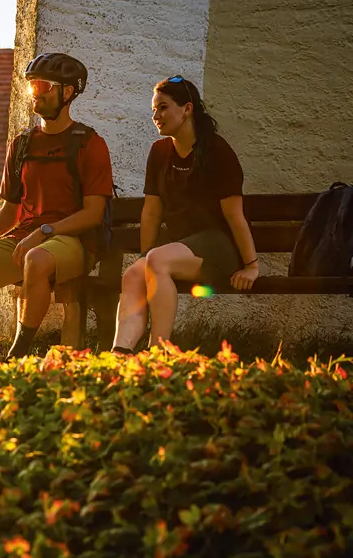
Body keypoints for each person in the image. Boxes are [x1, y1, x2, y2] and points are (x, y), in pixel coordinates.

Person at [0, 53, 115, 363]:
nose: (35, 92)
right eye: (31, 85)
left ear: (67, 92)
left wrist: (46, 231)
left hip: (74, 241)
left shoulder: (89, 143)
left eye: (42, 85)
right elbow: (10, 207)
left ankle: (16, 357)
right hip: (26, 240)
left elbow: (93, 214)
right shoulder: (22, 144)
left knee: (36, 258)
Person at [111, 75, 259, 353]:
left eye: (164, 107)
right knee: (133, 274)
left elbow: (234, 215)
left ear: (187, 109)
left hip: (219, 249)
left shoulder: (217, 151)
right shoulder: (159, 152)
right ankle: (121, 352)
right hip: (180, 249)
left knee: (157, 259)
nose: (156, 115)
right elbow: (152, 212)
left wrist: (251, 265)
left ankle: (158, 352)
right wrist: (145, 258)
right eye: (154, 109)